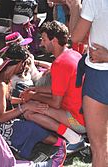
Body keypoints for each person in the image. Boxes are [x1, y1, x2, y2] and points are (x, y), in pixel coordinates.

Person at [0, 43, 66, 166]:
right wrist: (24, 107)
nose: (26, 68)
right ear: (20, 63)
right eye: (25, 64)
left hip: (1, 123)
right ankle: (60, 144)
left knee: (32, 121)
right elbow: (1, 117)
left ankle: (60, 142)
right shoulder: (1, 83)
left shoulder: (4, 78)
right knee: (32, 128)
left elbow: (6, 100)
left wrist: (24, 100)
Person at [20, 21, 85, 145]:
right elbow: (58, 88)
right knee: (35, 103)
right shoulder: (74, 54)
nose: (42, 43)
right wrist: (36, 90)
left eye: (44, 39)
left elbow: (55, 103)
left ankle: (74, 138)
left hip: (79, 121)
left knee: (29, 112)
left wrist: (33, 96)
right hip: (87, 115)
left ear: (54, 40)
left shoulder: (60, 63)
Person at [71, 0, 108, 166]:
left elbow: (76, 37)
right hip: (98, 74)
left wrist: (74, 7)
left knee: (100, 148)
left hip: (99, 76)